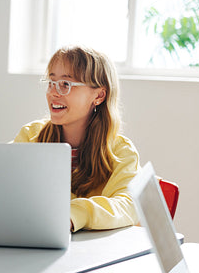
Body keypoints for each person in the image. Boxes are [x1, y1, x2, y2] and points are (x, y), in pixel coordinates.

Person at [12, 45, 140, 232]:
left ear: (99, 95)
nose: (53, 92)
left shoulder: (122, 152)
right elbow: (4, 183)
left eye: (66, 84)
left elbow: (129, 205)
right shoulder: (31, 136)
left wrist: (74, 215)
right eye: (51, 82)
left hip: (95, 252)